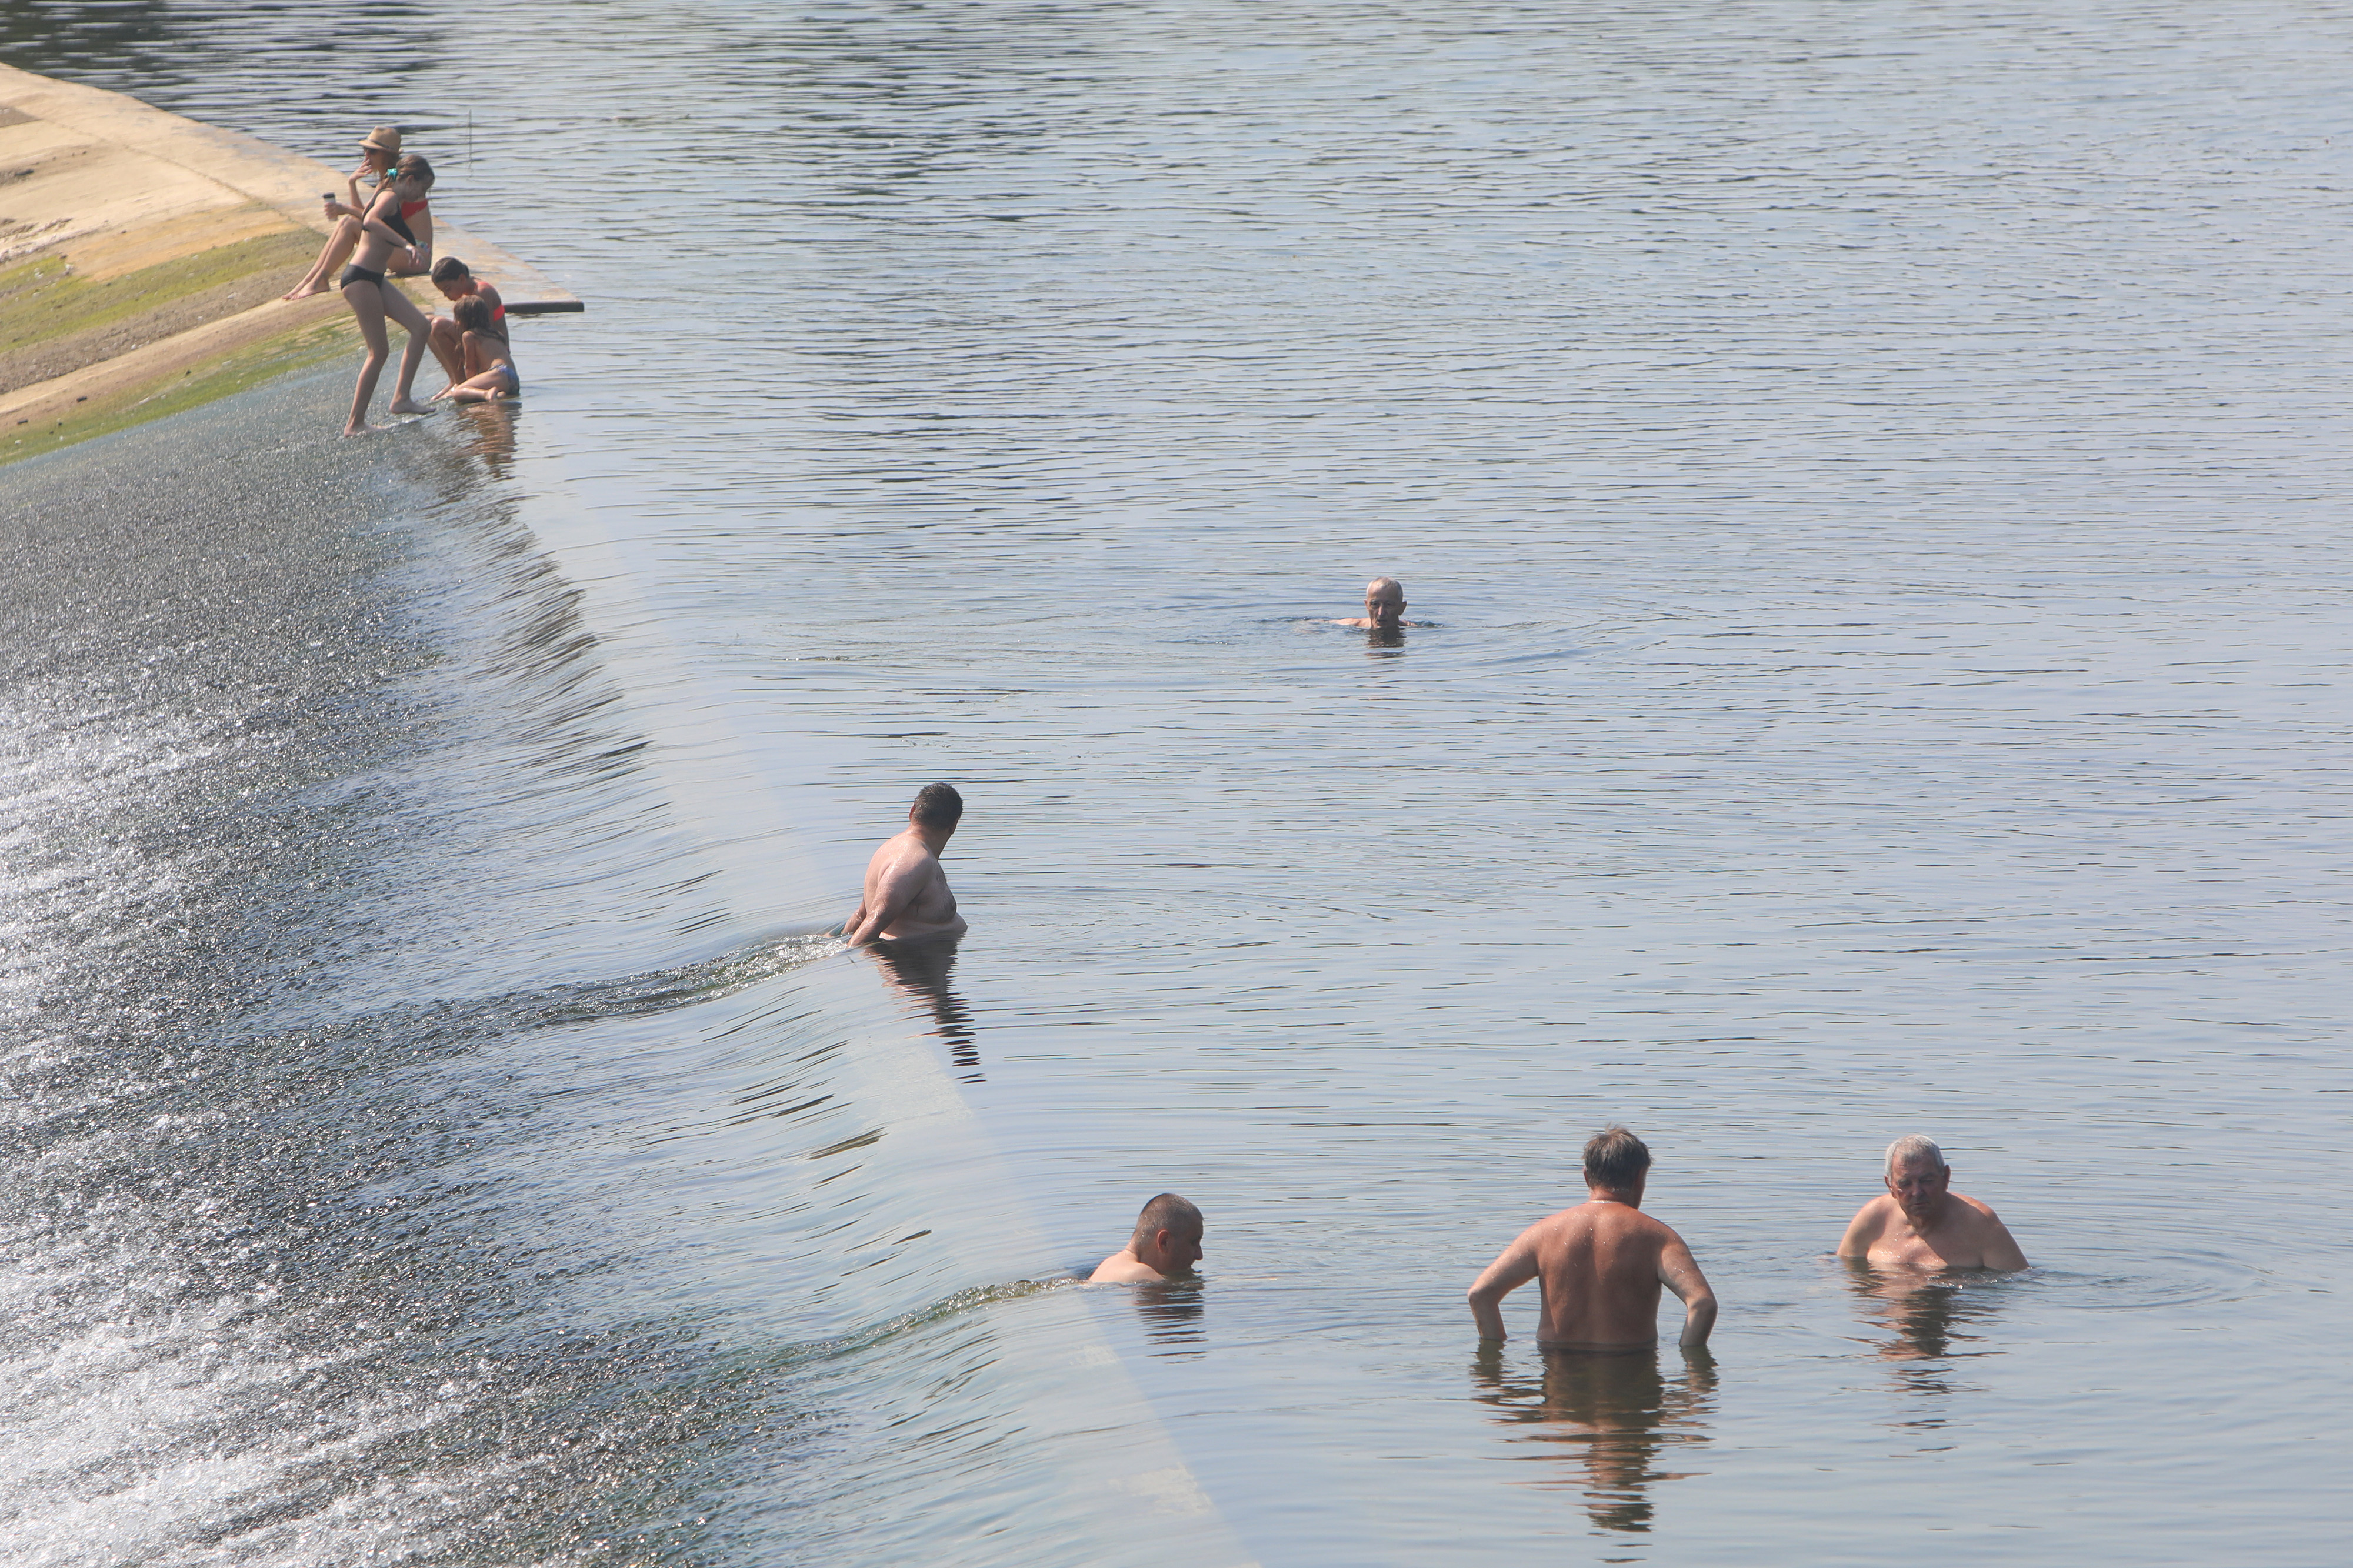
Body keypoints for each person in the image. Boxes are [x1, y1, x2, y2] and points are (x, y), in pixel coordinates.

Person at [1467, 1126, 1717, 1351]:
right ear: (1640, 1177)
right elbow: (1702, 1304)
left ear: (1587, 1176)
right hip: (1629, 1371)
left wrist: (1496, 1355)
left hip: (1558, 1373)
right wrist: (1691, 1368)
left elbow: (1481, 1295)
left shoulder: (1542, 1233)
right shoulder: (1658, 1238)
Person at [339, 153, 439, 435]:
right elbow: (370, 220)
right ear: (410, 180)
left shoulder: (390, 195)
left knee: (421, 326)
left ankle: (401, 398)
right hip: (360, 279)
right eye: (422, 189)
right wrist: (406, 247)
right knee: (379, 351)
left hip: (375, 279)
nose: (422, 195)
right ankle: (355, 424)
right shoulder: (390, 197)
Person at [284, 126, 434, 301]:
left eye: (372, 152)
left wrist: (346, 209)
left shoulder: (401, 186)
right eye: (365, 150)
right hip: (403, 250)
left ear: (386, 155)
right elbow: (366, 214)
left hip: (417, 255)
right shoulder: (389, 178)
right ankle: (311, 280)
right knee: (347, 222)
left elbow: (371, 220)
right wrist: (352, 183)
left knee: (349, 223)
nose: (366, 156)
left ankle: (319, 281)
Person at [1837, 1135, 2027, 1271]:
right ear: (1891, 1186)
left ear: (1945, 1178)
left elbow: (2018, 1285)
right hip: (1894, 1313)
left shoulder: (1980, 1224)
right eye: (1905, 1184)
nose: (1917, 1192)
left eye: (1927, 1181)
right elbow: (1840, 1269)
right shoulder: (1874, 1216)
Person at [842, 783, 967, 945]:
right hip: (908, 962)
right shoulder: (916, 862)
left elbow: (863, 914)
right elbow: (875, 920)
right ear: (954, 825)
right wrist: (843, 959)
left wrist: (837, 939)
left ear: (913, 811)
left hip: (915, 958)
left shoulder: (889, 849)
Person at [1089, 1193, 1205, 1283]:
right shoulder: (1143, 1275)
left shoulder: (1107, 1265)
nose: (1200, 1255)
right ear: (1164, 1242)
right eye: (1193, 1242)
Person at [426, 258, 506, 386]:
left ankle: (460, 382)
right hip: (478, 341)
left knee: (439, 325)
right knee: (428, 324)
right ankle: (454, 379)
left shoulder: (481, 292)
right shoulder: (466, 293)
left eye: (448, 289)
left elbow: (484, 332)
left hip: (490, 351)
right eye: (442, 291)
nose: (446, 295)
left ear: (462, 279)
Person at [431, 296, 520, 403]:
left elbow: (470, 368)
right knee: (498, 394)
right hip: (512, 378)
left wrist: (468, 385)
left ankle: (486, 394)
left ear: (466, 319)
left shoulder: (469, 336)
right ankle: (499, 394)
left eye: (458, 319)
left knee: (458, 392)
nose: (457, 323)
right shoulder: (496, 334)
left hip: (499, 372)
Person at [1333, 576, 1419, 630]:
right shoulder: (1350, 625)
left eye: (1389, 605)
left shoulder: (1413, 629)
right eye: (1375, 605)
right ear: (1367, 606)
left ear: (1402, 608)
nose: (1381, 613)